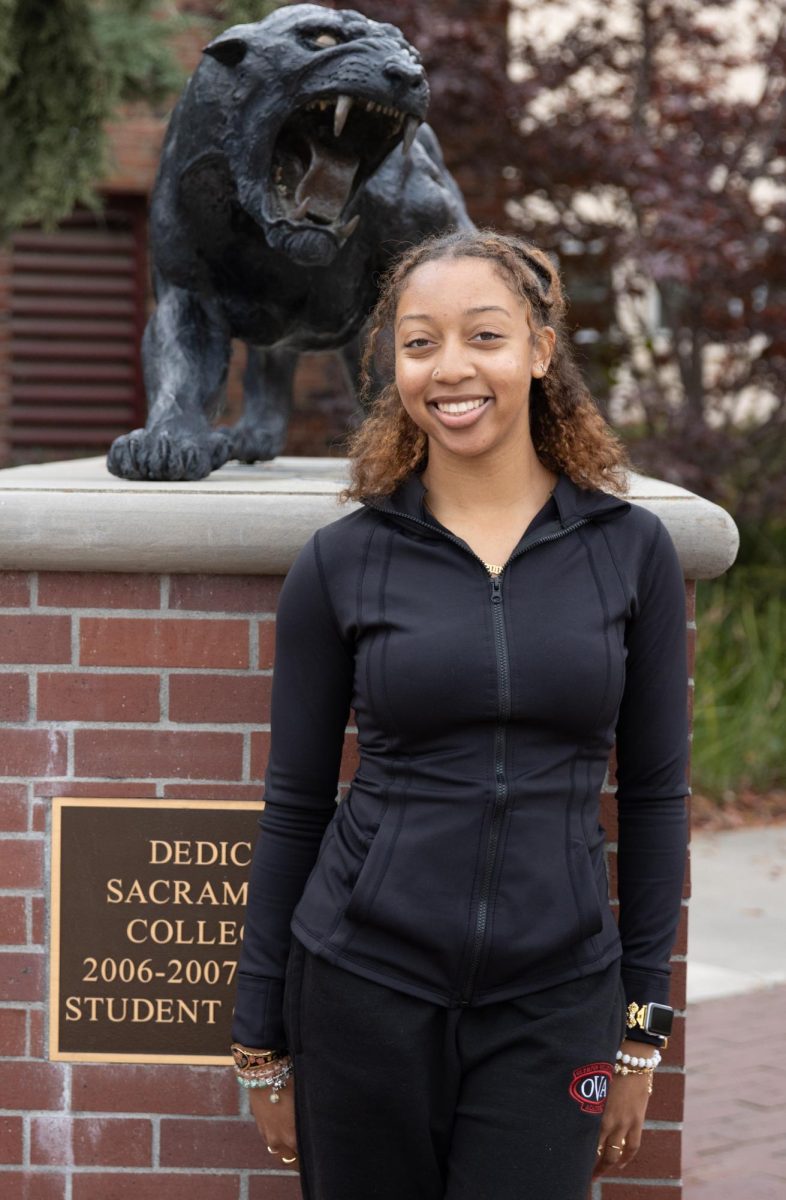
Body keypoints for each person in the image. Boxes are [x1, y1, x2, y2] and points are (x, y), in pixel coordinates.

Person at [229, 229, 690, 1200]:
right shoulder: (343, 562)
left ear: (538, 350)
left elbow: (652, 798)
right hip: (361, 985)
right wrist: (258, 1037)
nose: (451, 369)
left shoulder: (630, 551)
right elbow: (294, 804)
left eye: (483, 335)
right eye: (419, 342)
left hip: (554, 998)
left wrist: (643, 1029)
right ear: (394, 365)